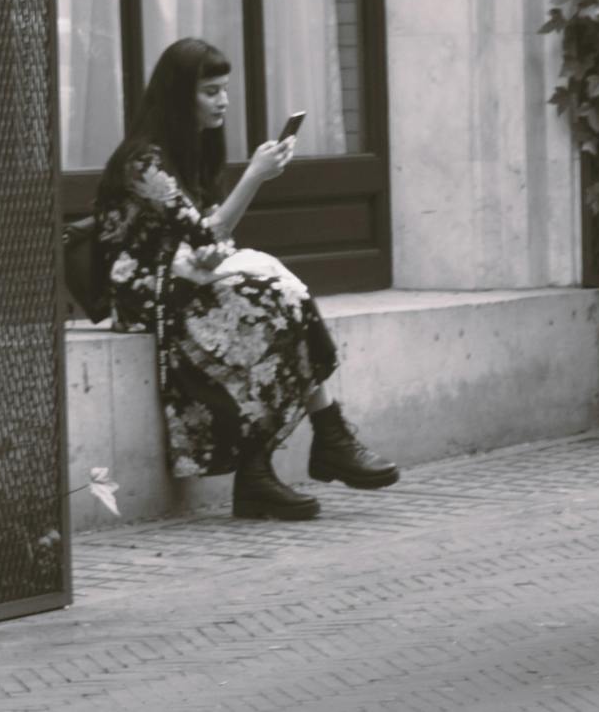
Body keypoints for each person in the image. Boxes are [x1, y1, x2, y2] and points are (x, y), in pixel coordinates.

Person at [93, 37, 398, 520]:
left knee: (281, 297)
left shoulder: (192, 151)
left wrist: (218, 252)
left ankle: (286, 458)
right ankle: (314, 443)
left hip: (185, 277)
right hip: (145, 294)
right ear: (180, 95)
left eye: (225, 90)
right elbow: (204, 230)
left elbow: (209, 237)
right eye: (211, 91)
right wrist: (255, 177)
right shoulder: (143, 161)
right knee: (270, 302)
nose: (223, 102)